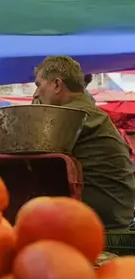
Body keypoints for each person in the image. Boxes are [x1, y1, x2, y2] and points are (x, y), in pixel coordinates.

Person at [33, 55, 135, 229]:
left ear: (57, 85)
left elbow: (30, 147)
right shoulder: (88, 111)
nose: (35, 93)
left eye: (38, 85)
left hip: (102, 219)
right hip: (115, 212)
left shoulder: (74, 115)